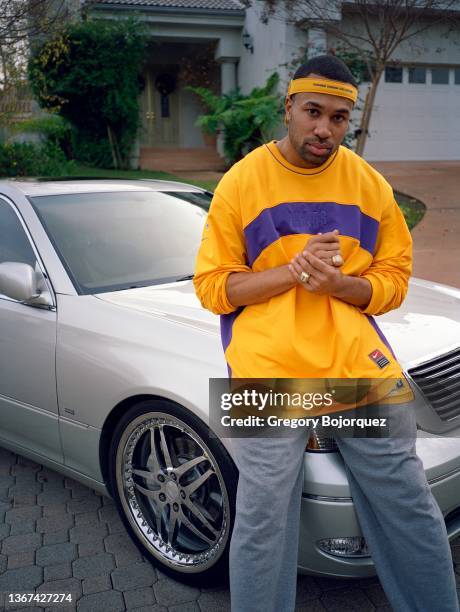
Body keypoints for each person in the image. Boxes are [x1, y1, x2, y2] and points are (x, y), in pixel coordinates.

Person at [193, 55, 459, 612]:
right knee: (262, 517)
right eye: (313, 112)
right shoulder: (241, 181)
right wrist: (291, 271)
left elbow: (393, 281)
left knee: (408, 505)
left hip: (354, 368)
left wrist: (340, 284)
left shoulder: (369, 184)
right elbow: (214, 288)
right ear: (288, 108)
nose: (325, 129)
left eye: (340, 118)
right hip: (268, 374)